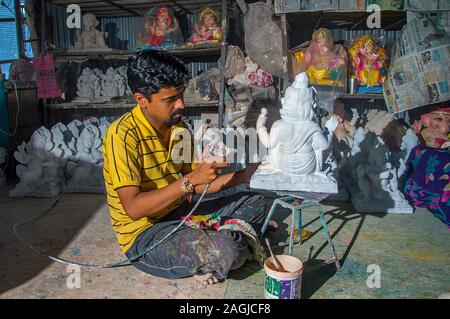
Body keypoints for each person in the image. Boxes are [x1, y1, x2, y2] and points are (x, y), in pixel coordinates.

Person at [102, 50, 267, 285]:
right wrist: (190, 179)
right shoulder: (121, 135)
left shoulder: (179, 127)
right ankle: (229, 242)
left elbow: (197, 186)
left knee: (254, 201)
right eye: (170, 100)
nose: (181, 104)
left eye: (180, 95)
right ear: (142, 100)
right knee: (225, 249)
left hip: (181, 212)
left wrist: (244, 175)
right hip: (145, 235)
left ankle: (221, 240)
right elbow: (134, 208)